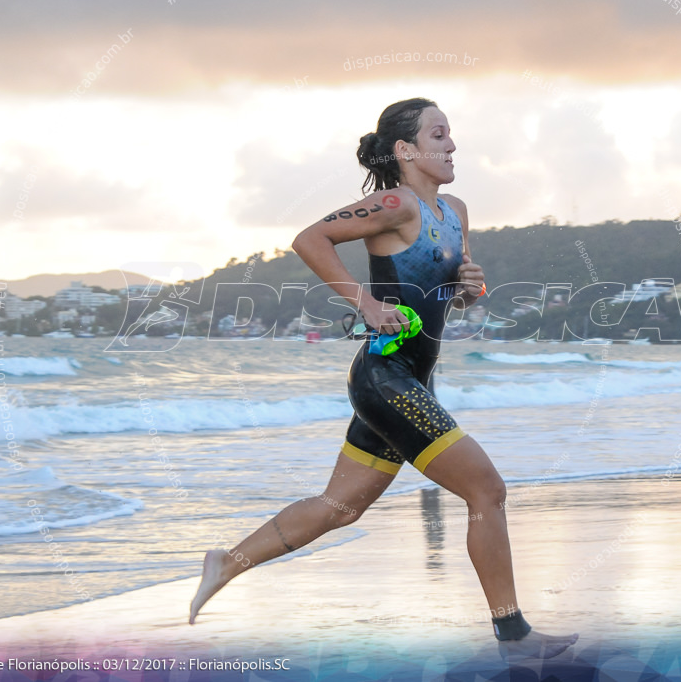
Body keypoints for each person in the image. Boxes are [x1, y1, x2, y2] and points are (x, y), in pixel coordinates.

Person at [190, 99, 577, 659]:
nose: (451, 145)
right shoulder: (393, 204)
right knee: (486, 491)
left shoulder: (455, 211)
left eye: (451, 135)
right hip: (384, 377)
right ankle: (514, 637)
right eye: (438, 135)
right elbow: (309, 238)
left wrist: (470, 286)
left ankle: (227, 562)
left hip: (411, 382)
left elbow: (453, 293)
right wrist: (364, 301)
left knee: (340, 507)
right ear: (405, 150)